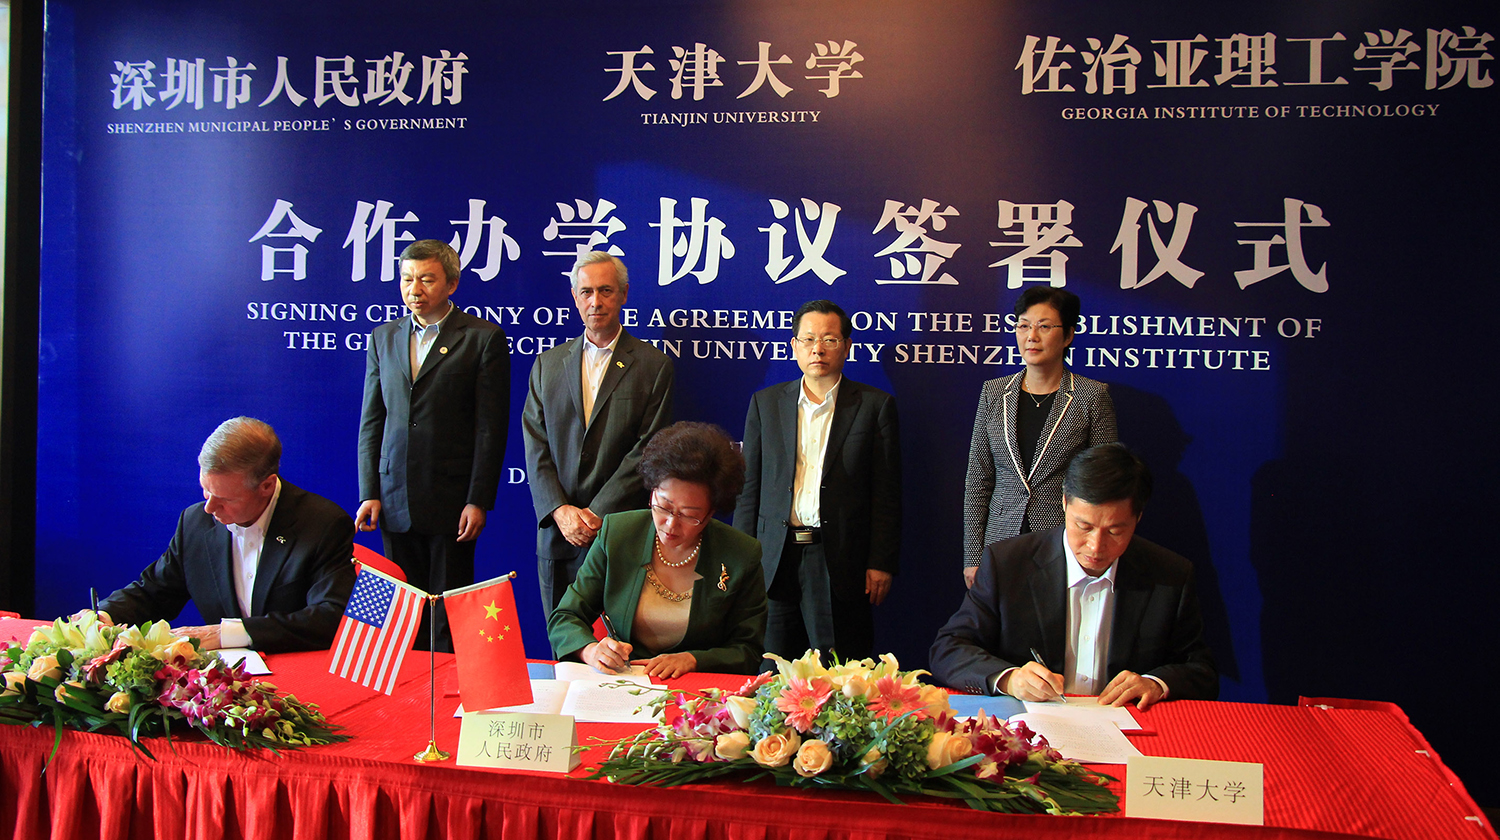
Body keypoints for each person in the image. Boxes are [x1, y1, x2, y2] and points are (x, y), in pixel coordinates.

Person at [930, 444, 1217, 709]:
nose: (1096, 546)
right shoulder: (1008, 564)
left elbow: (1201, 670)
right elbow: (948, 649)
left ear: (1138, 518)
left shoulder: (1169, 574)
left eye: (1115, 531)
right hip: (1032, 731)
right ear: (1065, 503)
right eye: (1084, 526)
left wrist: (1155, 683)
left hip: (1127, 729)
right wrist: (1010, 679)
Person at [355, 239, 509, 652]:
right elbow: (373, 421)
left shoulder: (482, 338)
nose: (414, 289)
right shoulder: (383, 337)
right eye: (406, 279)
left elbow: (489, 429)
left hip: (451, 499)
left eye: (426, 279)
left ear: (452, 283)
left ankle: (442, 702)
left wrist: (478, 499)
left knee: (447, 613)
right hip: (393, 497)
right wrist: (369, 491)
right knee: (400, 615)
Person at [96, 417, 355, 652]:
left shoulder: (323, 524)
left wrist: (227, 634)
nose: (209, 508)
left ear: (266, 486)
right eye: (205, 492)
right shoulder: (195, 522)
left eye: (224, 499)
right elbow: (154, 590)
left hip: (296, 673)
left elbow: (329, 618)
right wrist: (104, 615)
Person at [734, 299, 900, 664]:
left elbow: (886, 493)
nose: (818, 349)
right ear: (793, 346)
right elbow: (750, 489)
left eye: (829, 339)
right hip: (776, 555)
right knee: (772, 664)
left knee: (840, 666)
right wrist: (744, 557)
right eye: (808, 339)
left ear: (847, 346)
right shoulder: (766, 403)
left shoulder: (874, 406)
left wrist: (880, 561)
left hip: (839, 558)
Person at [548, 422, 766, 678]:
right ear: (652, 492)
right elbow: (565, 616)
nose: (671, 524)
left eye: (689, 515)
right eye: (663, 506)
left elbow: (747, 651)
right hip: (626, 681)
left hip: (698, 692)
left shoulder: (740, 554)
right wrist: (591, 650)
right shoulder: (618, 534)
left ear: (710, 513)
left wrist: (694, 660)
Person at [524, 252, 674, 616]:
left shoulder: (653, 366)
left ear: (623, 294)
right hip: (558, 535)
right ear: (575, 297)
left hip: (619, 531)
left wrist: (595, 514)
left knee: (617, 651)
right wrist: (560, 511)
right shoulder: (547, 365)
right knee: (562, 645)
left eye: (605, 290)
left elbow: (648, 449)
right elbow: (535, 444)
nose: (596, 301)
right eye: (586, 291)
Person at [962, 286, 1116, 588]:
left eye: (1044, 326)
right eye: (1023, 325)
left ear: (1068, 335)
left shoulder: (1092, 396)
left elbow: (1104, 484)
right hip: (1000, 542)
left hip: (1063, 540)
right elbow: (978, 479)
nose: (1031, 336)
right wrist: (973, 555)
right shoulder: (993, 393)